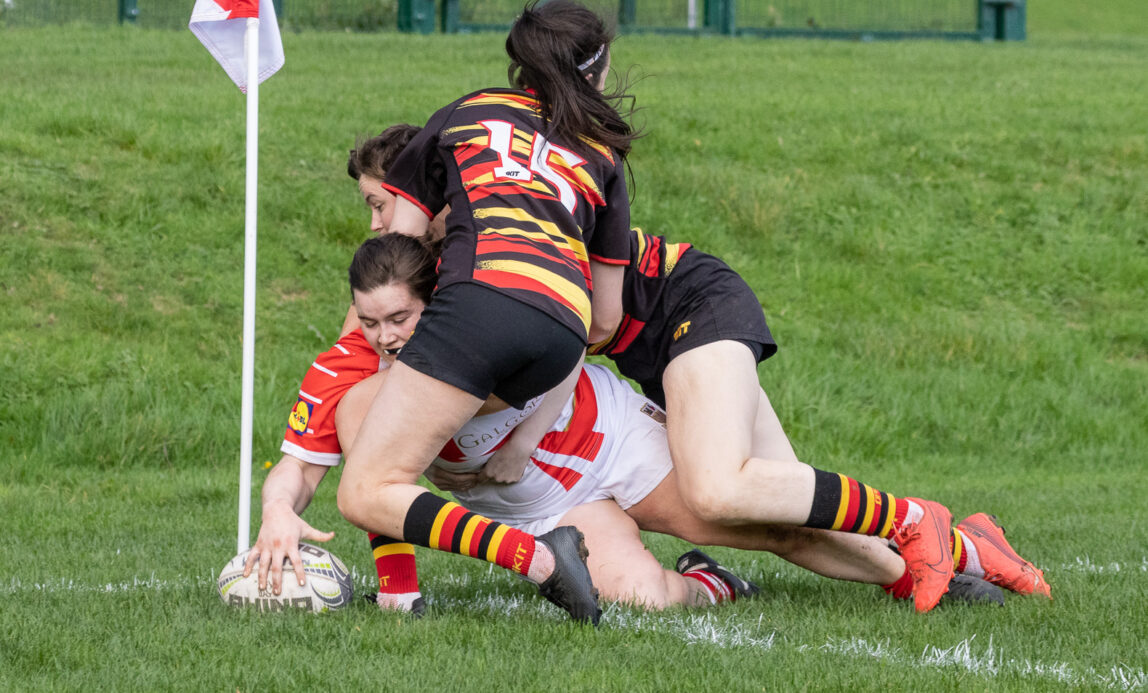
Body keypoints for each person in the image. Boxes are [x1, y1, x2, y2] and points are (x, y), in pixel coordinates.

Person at [254, 234, 1027, 615]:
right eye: (370, 320)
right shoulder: (349, 372)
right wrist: (278, 511)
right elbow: (333, 471)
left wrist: (521, 437)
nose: (387, 335)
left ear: (438, 303)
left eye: (402, 317)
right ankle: (711, 583)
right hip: (548, 509)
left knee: (767, 518)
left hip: (612, 440)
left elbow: (566, 336)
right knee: (640, 595)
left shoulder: (480, 318)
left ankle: (956, 554)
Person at [334, 0, 641, 625]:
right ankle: (402, 597)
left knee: (367, 487)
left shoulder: (466, 111)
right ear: (596, 70)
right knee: (388, 440)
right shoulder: (602, 154)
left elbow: (406, 247)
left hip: (479, 307)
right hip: (560, 337)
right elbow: (606, 320)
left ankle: (544, 560)